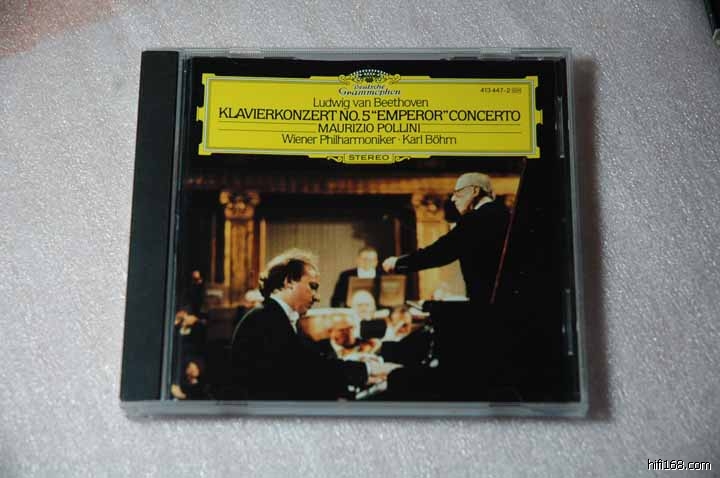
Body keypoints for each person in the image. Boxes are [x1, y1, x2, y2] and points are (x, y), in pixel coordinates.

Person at [231, 249, 400, 400]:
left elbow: (310, 363)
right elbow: (310, 369)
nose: (317, 297)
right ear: (289, 282)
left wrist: (360, 367)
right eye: (312, 287)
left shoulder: (275, 315)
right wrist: (370, 369)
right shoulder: (267, 319)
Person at [383, 172, 510, 305]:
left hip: (489, 305)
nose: (453, 199)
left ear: (475, 191)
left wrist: (399, 263)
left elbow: (440, 252)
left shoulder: (476, 219)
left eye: (458, 192)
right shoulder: (506, 214)